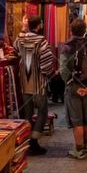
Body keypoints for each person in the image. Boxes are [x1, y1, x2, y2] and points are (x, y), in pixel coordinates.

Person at [14, 16, 56, 156]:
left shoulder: (20, 39)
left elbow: (15, 50)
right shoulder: (41, 41)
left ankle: (27, 141)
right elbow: (46, 61)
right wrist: (47, 73)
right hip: (38, 82)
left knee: (28, 113)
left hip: (25, 82)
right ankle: (34, 141)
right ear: (38, 26)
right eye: (41, 23)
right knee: (42, 112)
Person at [60, 19, 87, 159]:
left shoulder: (68, 47)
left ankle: (79, 149)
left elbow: (63, 70)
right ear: (84, 30)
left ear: (71, 30)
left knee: (77, 120)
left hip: (74, 88)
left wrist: (72, 86)